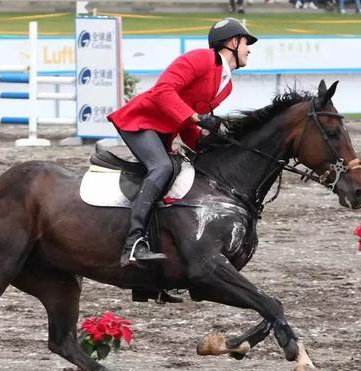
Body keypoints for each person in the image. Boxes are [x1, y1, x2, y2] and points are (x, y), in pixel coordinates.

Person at [107, 17, 258, 267]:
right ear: (233, 42)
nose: (249, 49)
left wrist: (205, 144)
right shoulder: (200, 59)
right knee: (162, 168)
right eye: (246, 43)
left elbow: (188, 123)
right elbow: (163, 91)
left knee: (185, 176)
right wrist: (198, 118)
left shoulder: (226, 85)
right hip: (140, 122)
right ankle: (132, 243)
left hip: (165, 133)